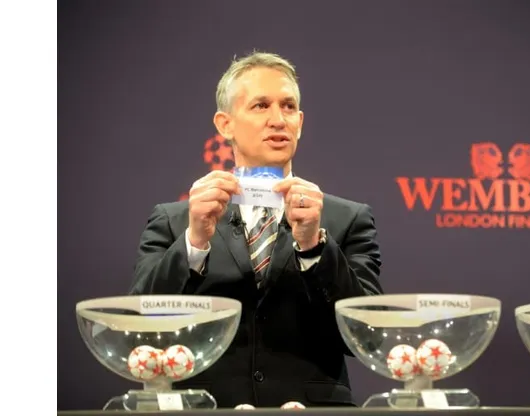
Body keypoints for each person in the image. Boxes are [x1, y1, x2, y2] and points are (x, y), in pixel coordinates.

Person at [129, 51, 383, 408]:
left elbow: (368, 337)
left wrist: (314, 247)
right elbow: (142, 329)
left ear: (300, 122)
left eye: (288, 107)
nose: (278, 120)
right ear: (225, 124)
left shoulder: (346, 219)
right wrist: (195, 242)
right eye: (261, 106)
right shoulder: (175, 221)